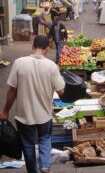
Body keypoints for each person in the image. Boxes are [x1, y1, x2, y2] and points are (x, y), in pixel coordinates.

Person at [0, 35, 65, 173]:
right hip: (44, 115)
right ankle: (45, 166)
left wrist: (5, 111)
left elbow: (12, 91)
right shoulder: (52, 66)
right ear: (47, 49)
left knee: (28, 145)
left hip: (24, 116)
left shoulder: (19, 63)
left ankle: (33, 171)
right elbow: (61, 91)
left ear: (33, 46)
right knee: (45, 138)